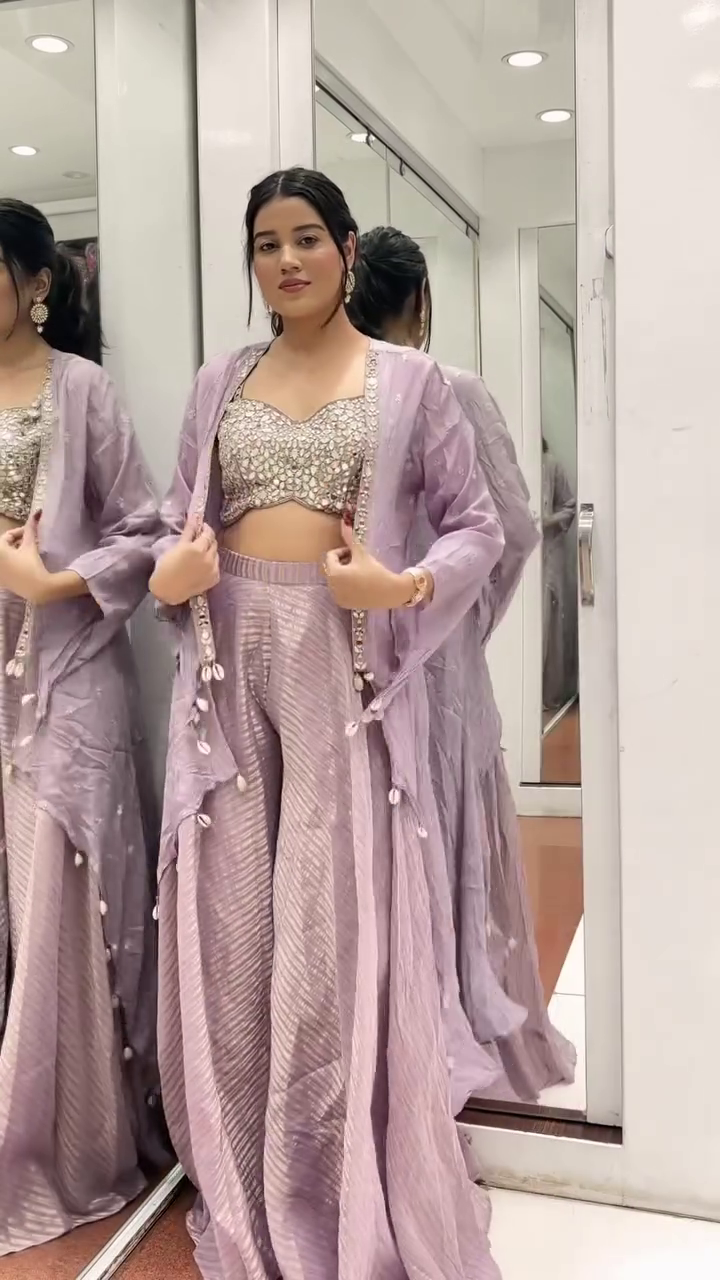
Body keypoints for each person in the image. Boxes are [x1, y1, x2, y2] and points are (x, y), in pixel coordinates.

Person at [151, 167, 508, 1280]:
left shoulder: (410, 382)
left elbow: (479, 524)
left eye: (307, 238)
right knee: (231, 920)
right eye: (267, 244)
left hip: (342, 662)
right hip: (224, 662)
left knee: (326, 923)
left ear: (348, 250)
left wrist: (401, 588)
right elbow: (174, 518)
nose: (287, 261)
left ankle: (327, 1178)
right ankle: (241, 1165)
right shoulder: (222, 379)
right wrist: (169, 572)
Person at [348, 225, 576, 1103]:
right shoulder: (452, 386)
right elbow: (510, 529)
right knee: (445, 828)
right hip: (435, 652)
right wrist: (466, 619)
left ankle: (388, 1044)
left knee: (376, 839)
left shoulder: (332, 393)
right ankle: (456, 1032)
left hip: (352, 651)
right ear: (422, 302)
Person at [0, 199, 169, 1255]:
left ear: (36, 283)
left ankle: (61, 1138)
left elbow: (148, 528)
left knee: (56, 900)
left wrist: (59, 581)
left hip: (63, 670)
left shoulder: (81, 390)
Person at [542, 438, 577, 710]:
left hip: (549, 550)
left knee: (550, 619)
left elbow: (569, 505)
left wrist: (547, 521)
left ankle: (549, 694)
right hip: (518, 555)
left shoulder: (550, 464)